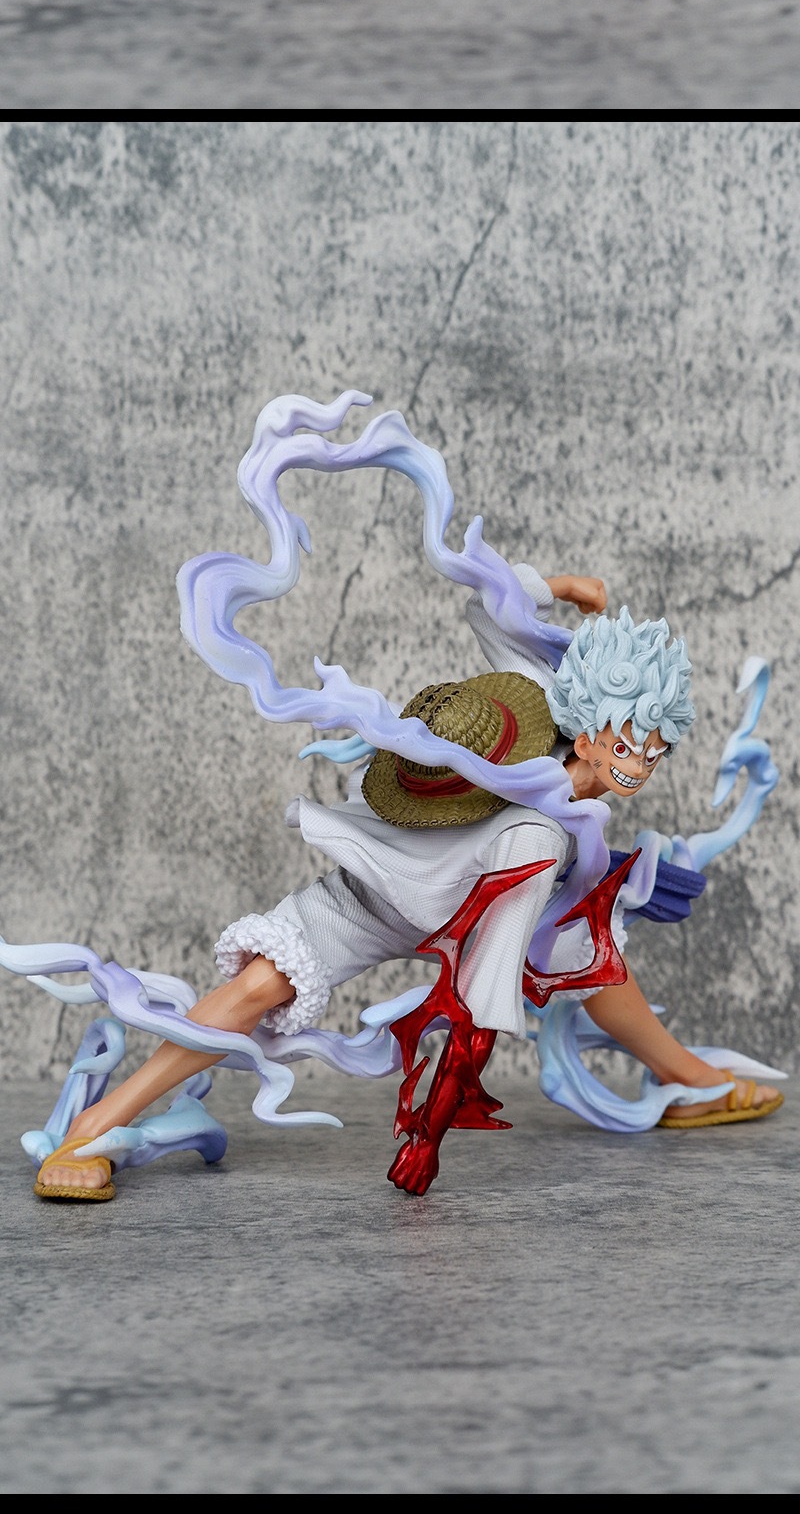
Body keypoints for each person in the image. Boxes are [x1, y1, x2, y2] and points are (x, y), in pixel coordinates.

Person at [19, 390, 781, 1205]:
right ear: (590, 726)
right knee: (254, 989)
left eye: (654, 747)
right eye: (627, 742)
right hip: (381, 893)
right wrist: (445, 1091)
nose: (640, 763)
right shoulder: (531, 769)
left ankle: (688, 1079)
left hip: (492, 908)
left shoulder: (555, 767)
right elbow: (490, 604)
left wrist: (564, 587)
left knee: (590, 949)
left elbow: (492, 603)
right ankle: (91, 1129)